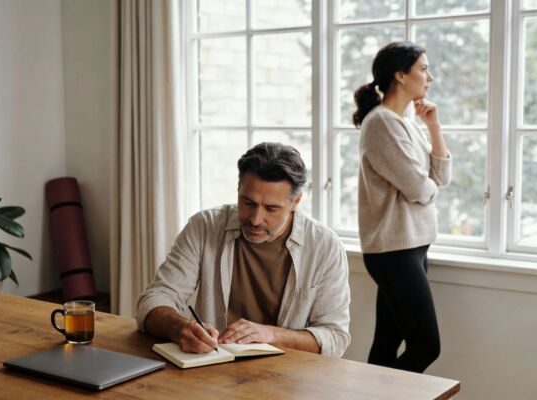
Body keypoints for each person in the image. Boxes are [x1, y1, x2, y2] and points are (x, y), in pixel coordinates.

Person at [136, 142, 351, 358]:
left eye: (271, 208)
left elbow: (335, 337)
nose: (255, 219)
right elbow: (154, 299)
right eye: (248, 202)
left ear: (295, 202)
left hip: (290, 378)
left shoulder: (325, 247)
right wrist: (179, 328)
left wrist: (271, 335)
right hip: (213, 370)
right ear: (238, 189)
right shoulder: (204, 227)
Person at [353, 41, 452, 373]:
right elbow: (420, 190)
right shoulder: (381, 123)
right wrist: (428, 184)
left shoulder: (406, 122)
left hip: (412, 246)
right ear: (400, 74)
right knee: (426, 346)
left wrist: (433, 126)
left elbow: (441, 176)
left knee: (385, 344)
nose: (430, 77)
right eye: (423, 68)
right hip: (393, 251)